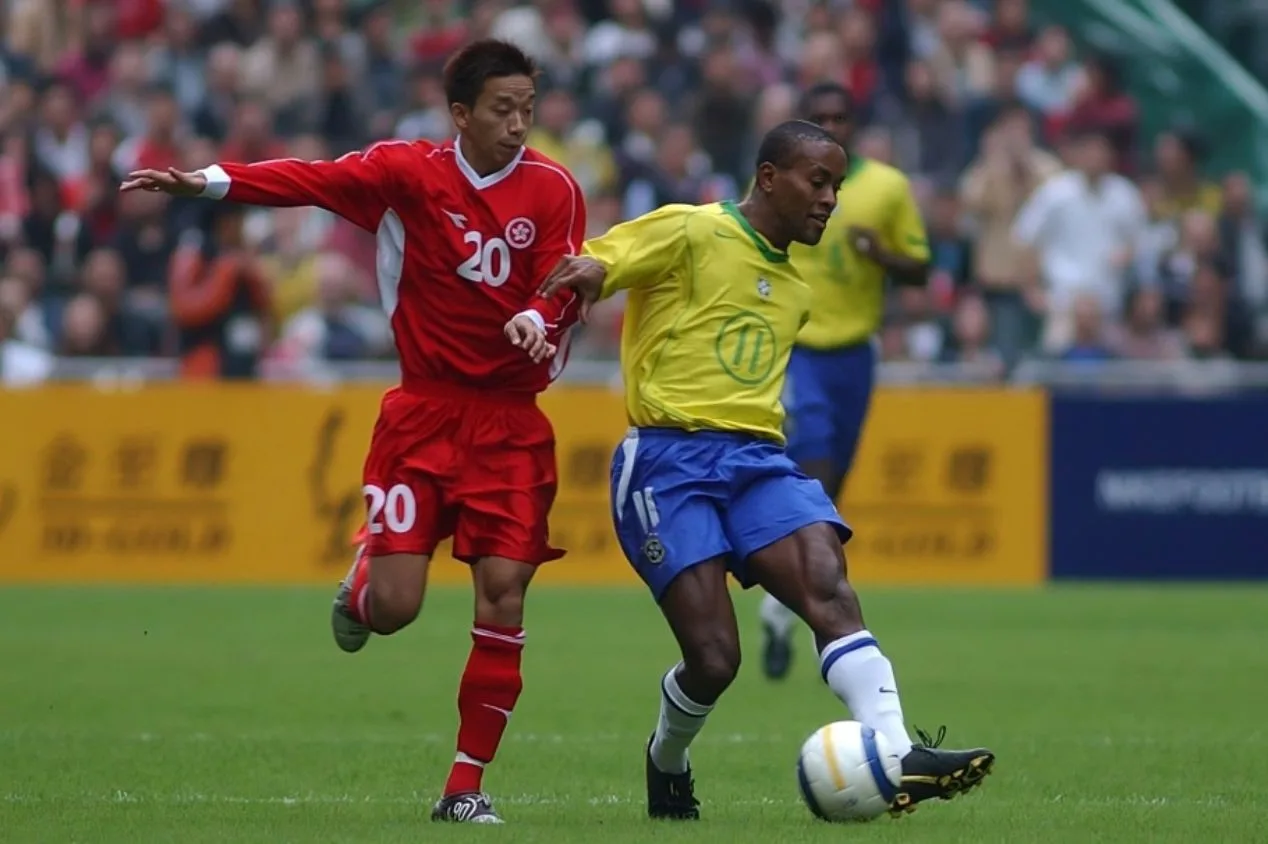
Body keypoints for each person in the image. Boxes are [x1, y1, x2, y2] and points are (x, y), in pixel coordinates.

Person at [120, 39, 587, 825]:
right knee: (397, 609)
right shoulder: (408, 173)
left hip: (511, 426)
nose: (517, 126)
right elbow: (310, 178)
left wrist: (542, 318)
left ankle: (463, 788)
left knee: (504, 596)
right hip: (423, 414)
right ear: (461, 114)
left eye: (528, 110)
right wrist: (206, 183)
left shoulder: (553, 188)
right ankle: (369, 573)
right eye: (503, 110)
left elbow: (565, 276)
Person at [531, 120, 993, 821]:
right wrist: (577, 287)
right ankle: (666, 759)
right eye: (818, 181)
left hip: (755, 460)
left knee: (829, 585)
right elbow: (600, 260)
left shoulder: (796, 289)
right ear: (770, 177)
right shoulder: (691, 230)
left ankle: (899, 751)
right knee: (715, 659)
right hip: (666, 461)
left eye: (837, 185)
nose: (830, 199)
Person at [758, 83, 932, 680]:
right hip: (797, 345)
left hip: (855, 352)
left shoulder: (886, 188)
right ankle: (821, 613)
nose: (831, 125)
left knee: (833, 493)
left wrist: (881, 254)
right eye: (820, 118)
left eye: (840, 118)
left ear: (854, 125)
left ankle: (781, 608)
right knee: (818, 464)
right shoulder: (782, 183)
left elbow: (921, 268)